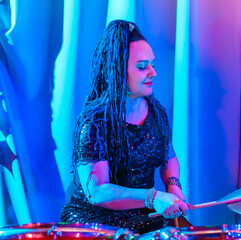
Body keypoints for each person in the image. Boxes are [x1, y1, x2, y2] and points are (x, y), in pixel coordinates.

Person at [60, 20, 189, 234]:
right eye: (142, 66)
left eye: (152, 65)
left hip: (141, 217)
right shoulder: (95, 122)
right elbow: (97, 191)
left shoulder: (157, 113)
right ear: (118, 71)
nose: (152, 73)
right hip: (95, 223)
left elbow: (169, 157)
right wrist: (153, 197)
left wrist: (173, 186)